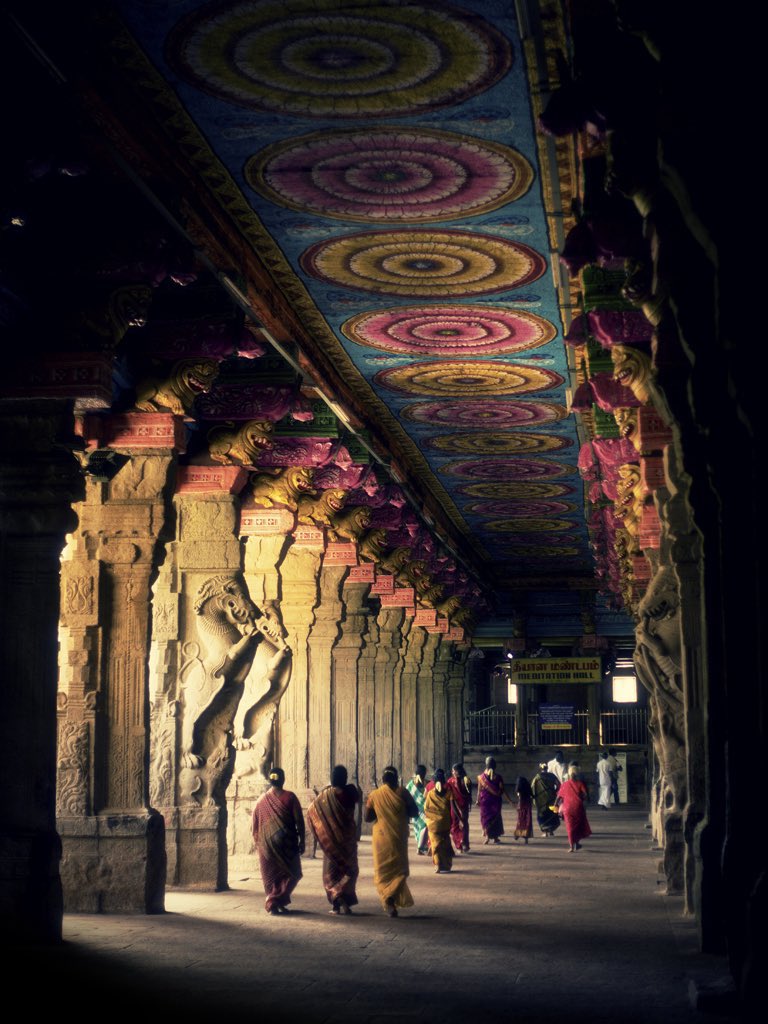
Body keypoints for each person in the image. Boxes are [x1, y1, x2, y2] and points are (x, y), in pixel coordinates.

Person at [364, 766, 419, 917]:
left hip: (380, 838)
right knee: (401, 870)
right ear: (397, 779)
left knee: (382, 871)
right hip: (398, 836)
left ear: (382, 780)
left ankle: (388, 899)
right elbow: (415, 812)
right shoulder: (403, 792)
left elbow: (367, 818)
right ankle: (390, 898)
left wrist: (379, 808)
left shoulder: (375, 795)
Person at [307, 764, 360, 915]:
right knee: (350, 871)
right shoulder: (351, 793)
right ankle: (343, 900)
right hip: (347, 841)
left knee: (331, 874)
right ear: (345, 778)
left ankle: (336, 902)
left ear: (331, 778)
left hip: (331, 842)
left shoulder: (324, 796)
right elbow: (356, 796)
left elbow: (311, 812)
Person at [251, 767, 305, 915]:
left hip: (267, 846)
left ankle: (276, 902)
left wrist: (260, 843)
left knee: (272, 875)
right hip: (287, 845)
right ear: (283, 779)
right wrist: (303, 840)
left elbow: (254, 826)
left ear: (270, 780)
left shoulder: (260, 801)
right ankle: (275, 900)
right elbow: (299, 821)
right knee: (293, 873)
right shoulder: (290, 797)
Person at [556, 764, 592, 852]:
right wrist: (582, 798)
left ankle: (572, 846)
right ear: (577, 774)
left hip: (567, 808)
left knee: (570, 827)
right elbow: (586, 795)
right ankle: (576, 843)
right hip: (578, 807)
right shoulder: (580, 783)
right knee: (578, 826)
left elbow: (558, 797)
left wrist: (555, 805)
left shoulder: (564, 784)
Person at [424, 769, 454, 873]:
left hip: (433, 825)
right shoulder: (449, 793)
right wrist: (457, 820)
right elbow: (453, 809)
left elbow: (426, 808)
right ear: (444, 782)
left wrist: (429, 819)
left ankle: (437, 865)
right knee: (445, 843)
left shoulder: (430, 794)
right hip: (445, 824)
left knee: (435, 845)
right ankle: (446, 865)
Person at [477, 756, 511, 844]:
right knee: (495, 818)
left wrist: (477, 800)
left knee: (486, 819)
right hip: (496, 801)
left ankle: (487, 837)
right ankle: (495, 838)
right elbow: (502, 790)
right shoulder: (498, 777)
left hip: (485, 801)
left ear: (486, 765)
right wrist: (509, 800)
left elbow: (479, 790)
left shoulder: (481, 777)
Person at [446, 763, 472, 853]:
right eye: (452, 771)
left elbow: (467, 794)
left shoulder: (463, 780)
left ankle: (463, 844)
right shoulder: (451, 781)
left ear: (458, 771)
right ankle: (462, 844)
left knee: (460, 826)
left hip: (460, 807)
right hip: (458, 806)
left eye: (454, 771)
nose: (453, 772)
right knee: (458, 825)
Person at [405, 764, 429, 854]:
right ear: (425, 773)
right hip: (424, 810)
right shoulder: (426, 783)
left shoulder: (410, 784)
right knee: (425, 827)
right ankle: (420, 847)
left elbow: (406, 796)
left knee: (419, 828)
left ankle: (422, 846)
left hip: (414, 810)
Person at [531, 761, 561, 836]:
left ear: (540, 768)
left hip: (541, 800)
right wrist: (555, 791)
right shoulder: (552, 776)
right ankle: (551, 831)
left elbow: (532, 787)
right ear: (547, 767)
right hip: (551, 798)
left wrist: (534, 796)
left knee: (543, 814)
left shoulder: (538, 777)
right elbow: (559, 785)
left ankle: (545, 832)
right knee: (551, 814)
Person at [513, 776, 533, 844]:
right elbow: (532, 796)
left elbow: (520, 798)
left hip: (522, 807)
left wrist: (518, 807)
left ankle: (518, 834)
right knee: (527, 822)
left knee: (520, 821)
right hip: (528, 807)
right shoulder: (528, 789)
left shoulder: (519, 790)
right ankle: (526, 838)